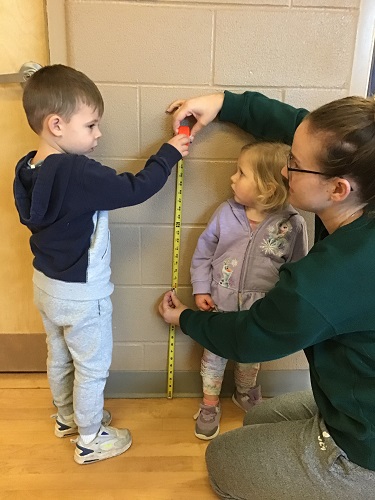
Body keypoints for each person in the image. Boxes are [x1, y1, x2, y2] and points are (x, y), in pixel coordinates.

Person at [159, 91, 375, 499]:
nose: (283, 171)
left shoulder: (334, 274)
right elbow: (304, 128)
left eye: (292, 163)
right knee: (257, 418)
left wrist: (185, 318)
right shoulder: (366, 181)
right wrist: (225, 103)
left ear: (338, 188)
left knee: (222, 461)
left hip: (365, 447)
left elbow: (249, 337)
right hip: (354, 398)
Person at [13, 64, 189, 465]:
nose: (99, 135)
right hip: (81, 295)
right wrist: (169, 153)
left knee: (58, 354)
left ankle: (67, 418)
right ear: (56, 124)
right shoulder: (76, 171)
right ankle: (90, 437)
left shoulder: (27, 167)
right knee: (91, 367)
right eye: (91, 125)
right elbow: (136, 188)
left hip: (46, 286)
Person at [191, 141, 307, 441]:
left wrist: (283, 306)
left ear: (267, 188)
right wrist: (201, 288)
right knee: (214, 358)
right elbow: (203, 252)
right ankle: (209, 404)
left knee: (250, 358)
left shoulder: (292, 224)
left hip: (260, 312)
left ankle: (244, 393)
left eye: (240, 173)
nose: (232, 178)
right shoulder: (225, 213)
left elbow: (299, 269)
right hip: (220, 305)